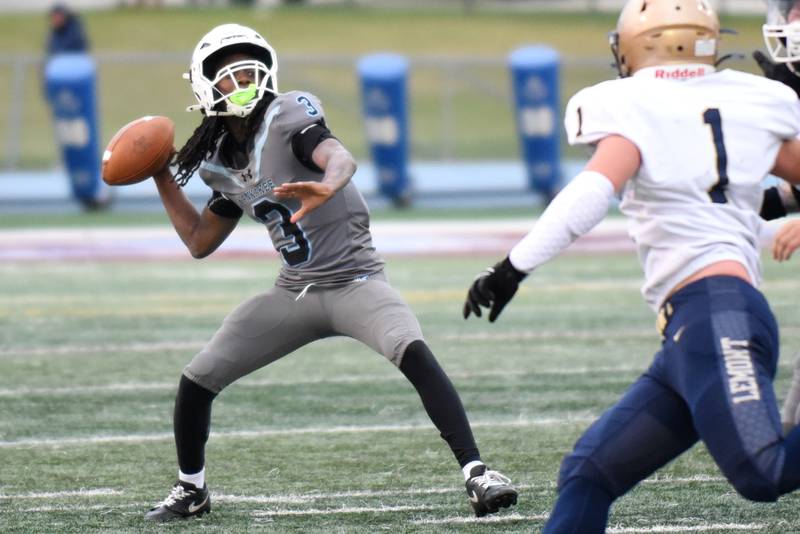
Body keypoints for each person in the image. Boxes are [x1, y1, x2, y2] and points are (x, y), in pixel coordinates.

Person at [142, 23, 517, 522]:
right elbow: (199, 241)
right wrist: (160, 174)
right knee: (198, 378)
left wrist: (330, 182)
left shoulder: (286, 115)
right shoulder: (217, 162)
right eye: (228, 75)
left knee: (413, 351)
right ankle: (192, 489)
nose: (242, 79)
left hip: (356, 281)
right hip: (295, 292)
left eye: (249, 67)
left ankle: (477, 473)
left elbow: (335, 154)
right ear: (206, 87)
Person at [463, 1, 800, 532]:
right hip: (694, 330)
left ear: (642, 43)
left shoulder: (633, 107)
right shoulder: (750, 102)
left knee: (763, 472)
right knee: (589, 472)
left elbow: (594, 189)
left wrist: (513, 266)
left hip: (717, 317)